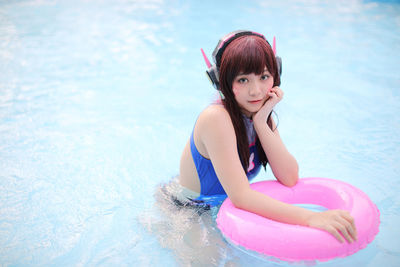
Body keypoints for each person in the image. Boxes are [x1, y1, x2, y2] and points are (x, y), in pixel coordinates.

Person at [177, 30, 357, 244]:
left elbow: (289, 177)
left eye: (264, 77)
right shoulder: (216, 118)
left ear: (276, 74)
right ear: (221, 82)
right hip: (190, 211)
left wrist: (262, 122)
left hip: (225, 208)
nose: (256, 91)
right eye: (243, 80)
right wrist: (311, 218)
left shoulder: (260, 114)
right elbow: (242, 196)